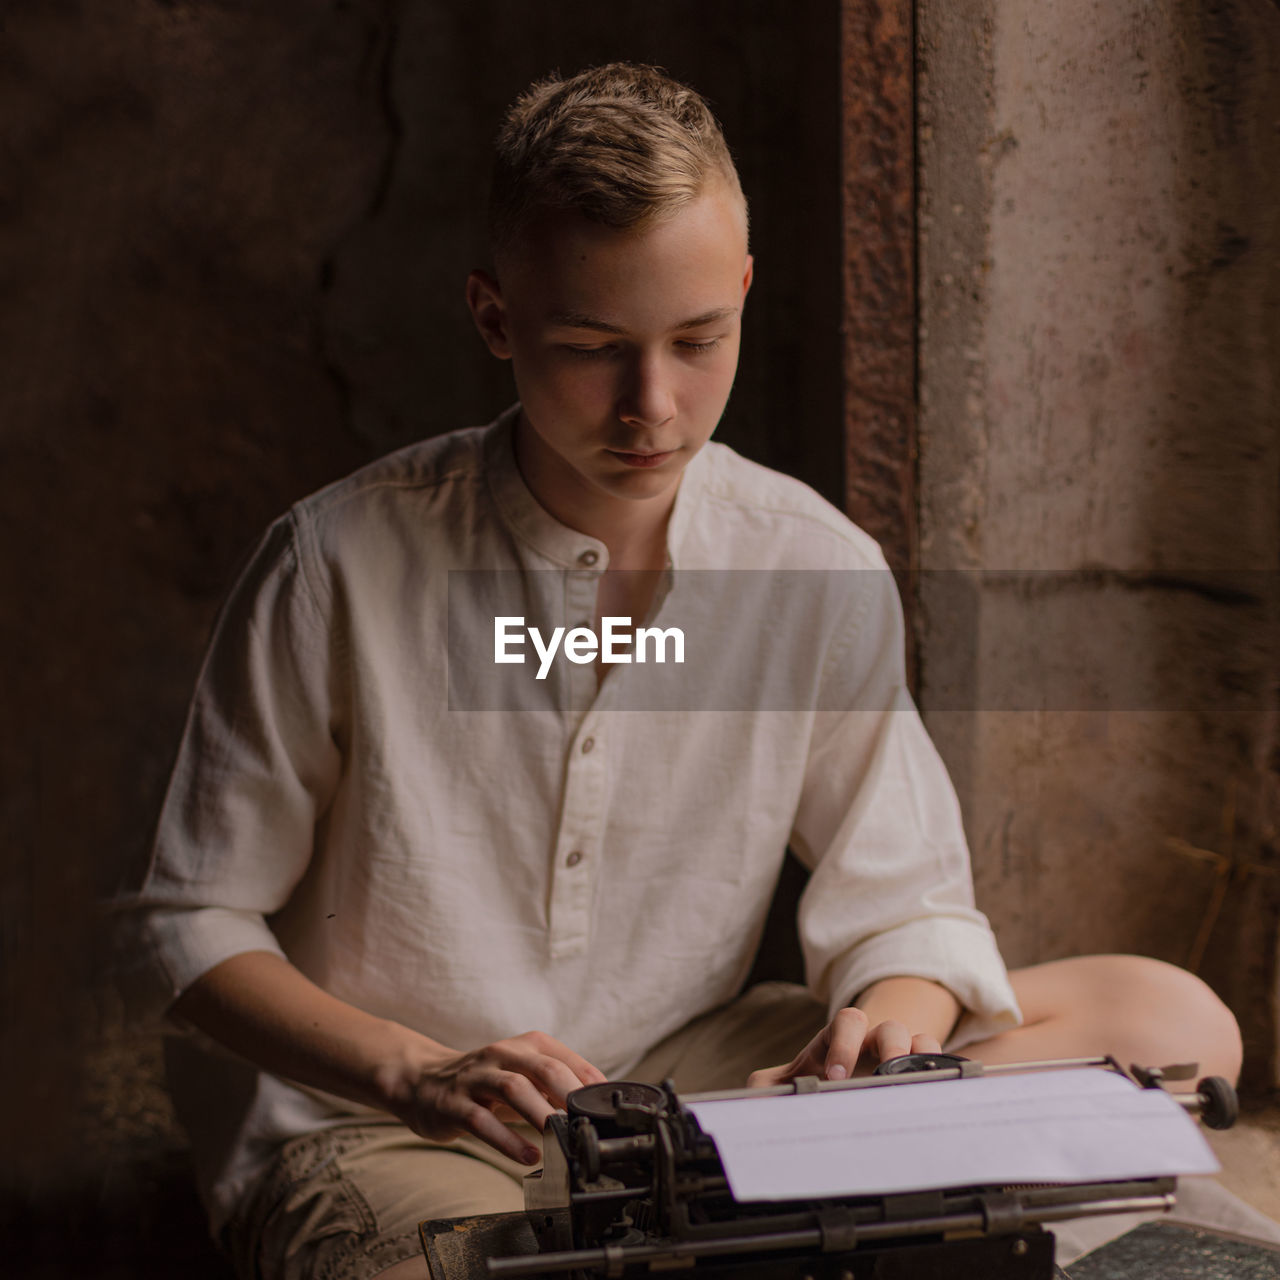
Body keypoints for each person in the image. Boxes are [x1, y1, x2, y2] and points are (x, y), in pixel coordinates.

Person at [112, 63, 1242, 1280]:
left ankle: (752, 1195)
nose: (652, 404)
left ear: (744, 290)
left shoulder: (811, 563)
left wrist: (882, 1038)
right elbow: (192, 922)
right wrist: (411, 1065)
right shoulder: (335, 561)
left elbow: (905, 904)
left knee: (1166, 1021)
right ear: (495, 318)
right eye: (593, 348)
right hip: (401, 1122)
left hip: (683, 1081)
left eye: (697, 339)